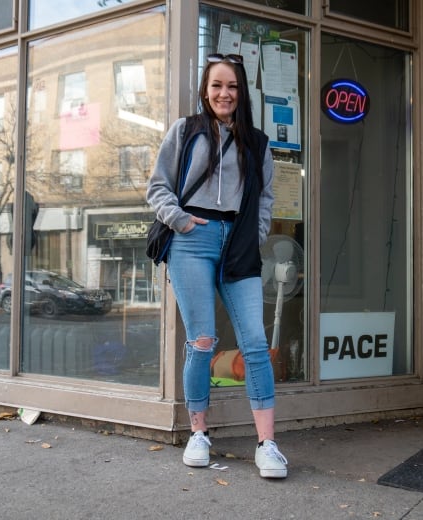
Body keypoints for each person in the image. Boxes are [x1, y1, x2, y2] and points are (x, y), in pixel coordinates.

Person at [146, 53, 286, 478]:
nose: (224, 94)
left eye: (232, 87)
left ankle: (267, 444)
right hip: (192, 241)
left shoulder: (257, 143)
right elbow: (157, 188)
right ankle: (199, 434)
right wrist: (182, 221)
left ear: (241, 93)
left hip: (238, 244)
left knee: (256, 345)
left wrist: (255, 234)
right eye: (216, 86)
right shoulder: (186, 131)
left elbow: (264, 200)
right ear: (206, 91)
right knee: (203, 341)